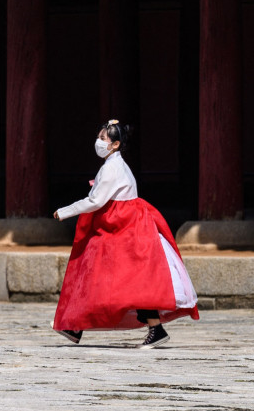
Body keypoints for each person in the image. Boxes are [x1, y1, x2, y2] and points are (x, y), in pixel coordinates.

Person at [51, 119, 199, 349]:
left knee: (124, 279)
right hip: (122, 226)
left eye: (103, 139)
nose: (98, 142)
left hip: (123, 229)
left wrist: (64, 211)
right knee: (113, 277)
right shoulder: (114, 164)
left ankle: (153, 328)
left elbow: (96, 200)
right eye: (99, 137)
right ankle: (76, 326)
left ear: (116, 144)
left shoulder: (112, 168)